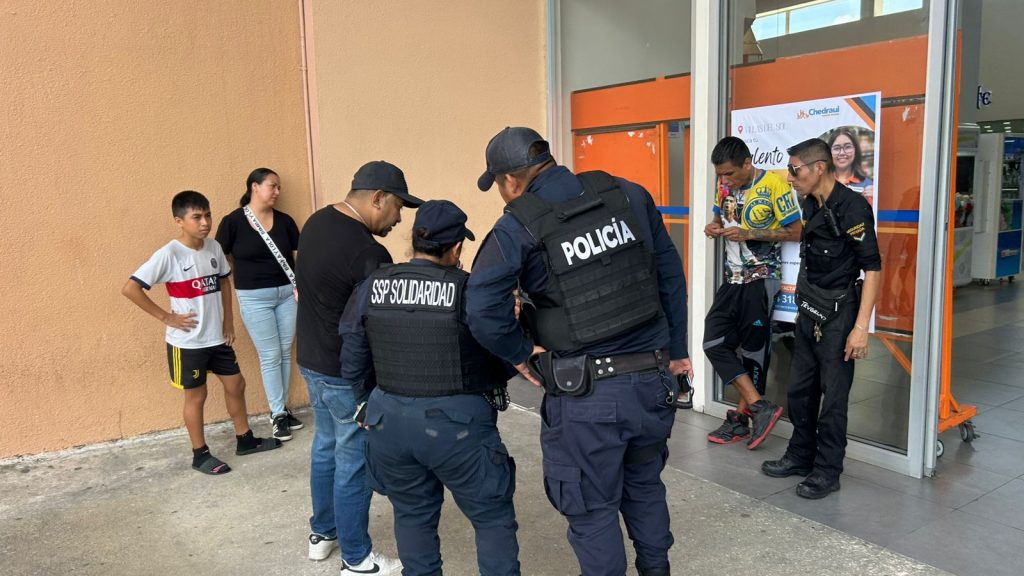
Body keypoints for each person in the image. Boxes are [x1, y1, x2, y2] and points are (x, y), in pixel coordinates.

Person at [467, 127, 692, 576]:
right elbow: (669, 274)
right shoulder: (626, 193)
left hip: (588, 397)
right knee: (644, 487)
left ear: (510, 180)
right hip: (652, 381)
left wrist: (520, 352)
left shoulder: (519, 225)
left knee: (592, 508)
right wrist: (678, 351)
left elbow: (480, 309)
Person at [341, 200, 520, 576]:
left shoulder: (375, 285)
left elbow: (353, 349)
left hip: (388, 421)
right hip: (458, 426)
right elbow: (504, 357)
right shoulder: (468, 290)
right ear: (456, 247)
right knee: (491, 518)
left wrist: (365, 403)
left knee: (412, 515)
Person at [296, 160, 421, 574]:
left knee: (325, 447)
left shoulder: (315, 222)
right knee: (353, 460)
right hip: (344, 374)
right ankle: (356, 558)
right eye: (398, 207)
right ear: (378, 198)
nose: (399, 218)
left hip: (311, 361)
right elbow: (379, 322)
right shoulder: (368, 252)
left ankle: (323, 533)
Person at [121, 191, 281, 476]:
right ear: (179, 221)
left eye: (207, 215)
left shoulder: (214, 248)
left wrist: (228, 322)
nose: (205, 222)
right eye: (197, 217)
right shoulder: (169, 254)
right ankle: (200, 454)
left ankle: (245, 440)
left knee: (236, 384)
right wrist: (166, 317)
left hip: (217, 338)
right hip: (187, 342)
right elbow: (131, 288)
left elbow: (224, 282)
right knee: (197, 396)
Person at [761, 138, 881, 499]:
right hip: (809, 309)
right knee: (800, 389)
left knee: (834, 398)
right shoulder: (810, 202)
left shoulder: (853, 208)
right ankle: (800, 455)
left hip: (840, 316)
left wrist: (860, 329)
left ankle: (828, 470)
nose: (789, 177)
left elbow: (873, 269)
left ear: (819, 168)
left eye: (794, 169)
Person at [702, 137, 802, 448]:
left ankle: (740, 420)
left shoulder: (774, 185)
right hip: (731, 279)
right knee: (713, 342)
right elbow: (718, 217)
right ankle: (759, 407)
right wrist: (712, 227)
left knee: (753, 352)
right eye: (720, 174)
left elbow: (797, 231)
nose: (724, 180)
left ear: (748, 163)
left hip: (761, 279)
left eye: (729, 173)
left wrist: (750, 233)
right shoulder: (724, 187)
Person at [215, 168, 302, 442]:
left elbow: (297, 254)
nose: (277, 192)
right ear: (255, 186)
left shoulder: (285, 221)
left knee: (285, 352)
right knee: (270, 355)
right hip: (254, 297)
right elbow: (219, 255)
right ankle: (277, 413)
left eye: (279, 187)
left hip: (287, 294)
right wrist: (237, 274)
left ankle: (282, 409)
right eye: (272, 186)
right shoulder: (233, 222)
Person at [828, 128, 874, 202]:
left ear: (856, 151)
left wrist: (874, 201)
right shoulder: (821, 182)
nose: (842, 153)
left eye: (847, 147)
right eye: (836, 148)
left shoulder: (868, 185)